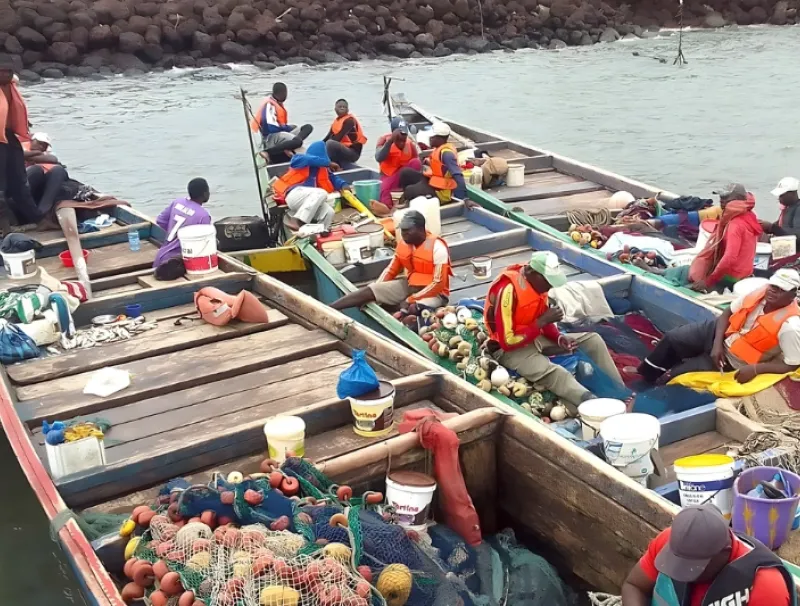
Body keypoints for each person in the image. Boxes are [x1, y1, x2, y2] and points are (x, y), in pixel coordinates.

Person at [483, 251, 624, 406]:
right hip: (509, 350)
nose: (550, 286)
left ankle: (620, 392)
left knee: (593, 340)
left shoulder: (539, 287)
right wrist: (541, 322)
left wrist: (559, 338)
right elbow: (507, 341)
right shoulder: (508, 290)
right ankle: (595, 406)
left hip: (534, 336)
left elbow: (544, 320)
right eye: (548, 281)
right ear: (532, 273)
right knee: (557, 374)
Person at [639, 268, 800, 383]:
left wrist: (755, 369)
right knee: (673, 338)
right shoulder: (759, 293)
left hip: (734, 359)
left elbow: (792, 364)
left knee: (677, 376)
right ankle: (646, 373)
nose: (773, 291)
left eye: (781, 290)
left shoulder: (791, 326)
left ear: (793, 294)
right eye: (773, 286)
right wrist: (717, 345)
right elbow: (726, 313)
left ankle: (660, 383)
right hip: (717, 332)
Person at [621, 505, 793, 606]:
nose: (680, 572)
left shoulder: (765, 586)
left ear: (724, 552)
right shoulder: (670, 541)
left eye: (693, 567)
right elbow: (634, 586)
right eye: (677, 562)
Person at [330, 210, 452, 311]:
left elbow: (438, 283)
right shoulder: (405, 244)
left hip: (435, 293)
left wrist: (411, 299)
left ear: (420, 229)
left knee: (412, 309)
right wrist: (377, 290)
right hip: (410, 285)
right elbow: (391, 270)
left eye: (408, 230)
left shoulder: (437, 248)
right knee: (370, 291)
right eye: (402, 230)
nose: (404, 234)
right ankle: (329, 308)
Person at [687, 183, 762, 293]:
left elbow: (729, 258)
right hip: (744, 273)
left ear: (737, 200)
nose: (721, 201)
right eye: (720, 197)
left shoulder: (735, 224)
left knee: (685, 274)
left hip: (731, 277)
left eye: (726, 198)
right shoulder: (750, 216)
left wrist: (708, 282)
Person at [272, 141, 350, 231]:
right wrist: (328, 163)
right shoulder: (300, 159)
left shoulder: (323, 169)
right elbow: (311, 159)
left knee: (329, 212)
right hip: (294, 196)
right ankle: (298, 220)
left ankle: (318, 233)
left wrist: (344, 185)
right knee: (321, 192)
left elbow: (334, 179)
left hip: (310, 201)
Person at [0, 55, 38, 232]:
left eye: (9, 71)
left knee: (20, 182)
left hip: (9, 136)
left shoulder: (11, 86)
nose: (6, 74)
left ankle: (36, 219)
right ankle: (5, 227)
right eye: (2, 72)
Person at [153, 178, 212, 281]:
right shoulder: (204, 216)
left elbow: (161, 221)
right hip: (177, 264)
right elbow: (204, 246)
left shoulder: (177, 202)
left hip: (160, 257)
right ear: (205, 193)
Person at [400, 122, 467, 205]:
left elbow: (458, 175)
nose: (430, 138)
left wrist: (464, 199)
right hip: (432, 181)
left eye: (432, 137)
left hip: (441, 191)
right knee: (405, 173)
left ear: (440, 138)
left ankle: (412, 200)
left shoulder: (447, 154)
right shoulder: (438, 148)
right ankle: (412, 198)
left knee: (409, 191)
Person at [249, 82, 312, 163]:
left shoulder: (277, 103)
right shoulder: (270, 105)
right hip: (271, 137)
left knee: (307, 127)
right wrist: (287, 128)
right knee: (298, 141)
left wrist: (289, 128)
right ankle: (267, 152)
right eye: (284, 93)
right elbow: (272, 128)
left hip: (279, 133)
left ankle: (290, 145)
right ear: (279, 93)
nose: (286, 95)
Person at [373, 117, 421, 216]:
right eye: (399, 139)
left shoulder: (409, 143)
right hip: (389, 176)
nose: (402, 143)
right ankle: (390, 208)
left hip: (405, 176)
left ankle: (411, 195)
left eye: (404, 139)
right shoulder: (383, 140)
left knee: (416, 162)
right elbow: (378, 157)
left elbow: (417, 162)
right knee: (383, 191)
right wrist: (390, 142)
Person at [23, 133, 69, 217]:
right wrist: (36, 154)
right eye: (39, 143)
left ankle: (43, 211)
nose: (41, 147)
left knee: (58, 170)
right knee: (36, 170)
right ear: (32, 141)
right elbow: (21, 154)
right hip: (23, 184)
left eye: (44, 145)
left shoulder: (45, 153)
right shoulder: (21, 147)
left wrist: (33, 155)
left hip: (40, 184)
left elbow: (53, 159)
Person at [323, 99, 367, 167]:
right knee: (321, 144)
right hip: (342, 150)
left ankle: (329, 166)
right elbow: (327, 138)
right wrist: (318, 145)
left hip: (353, 153)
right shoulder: (336, 122)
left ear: (348, 110)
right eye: (340, 106)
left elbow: (337, 139)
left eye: (344, 107)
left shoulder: (349, 121)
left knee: (330, 143)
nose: (342, 108)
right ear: (335, 109)